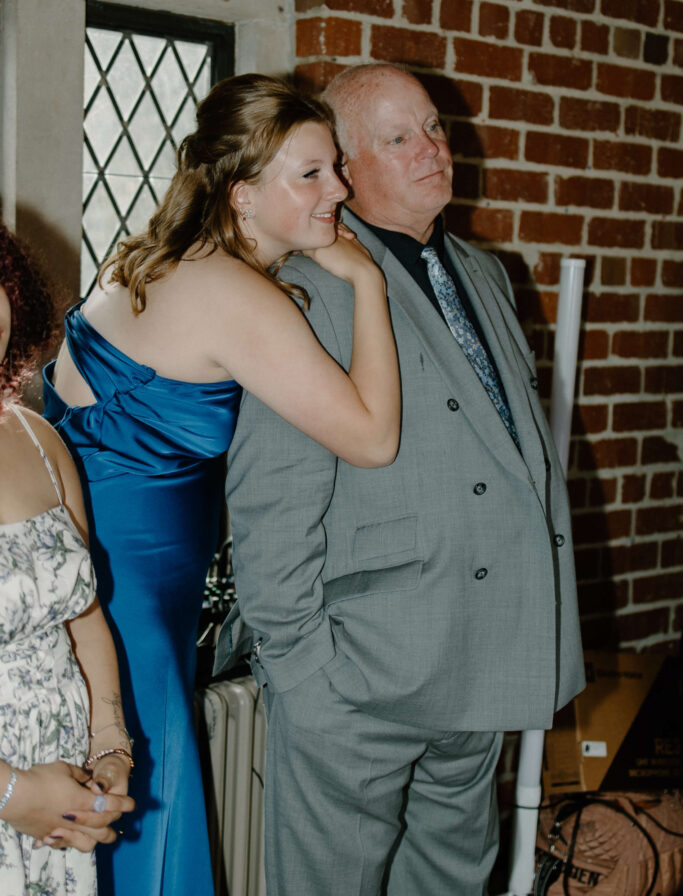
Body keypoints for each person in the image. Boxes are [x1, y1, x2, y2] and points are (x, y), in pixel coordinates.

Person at [215, 63, 586, 895]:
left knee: (452, 879)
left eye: (433, 129)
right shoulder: (301, 291)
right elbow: (271, 509)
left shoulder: (486, 274)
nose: (430, 150)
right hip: (359, 673)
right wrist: (308, 679)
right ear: (343, 168)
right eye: (397, 137)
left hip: (479, 659)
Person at [42, 73, 401, 896]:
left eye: (334, 168)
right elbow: (372, 437)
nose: (338, 190)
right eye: (308, 174)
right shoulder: (236, 296)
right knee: (141, 824)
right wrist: (368, 283)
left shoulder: (145, 261)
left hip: (85, 585)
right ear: (242, 194)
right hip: (131, 604)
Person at [0, 224, 134, 895]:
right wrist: (11, 793)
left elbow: (83, 615)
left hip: (58, 783)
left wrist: (110, 748)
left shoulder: (38, 438)